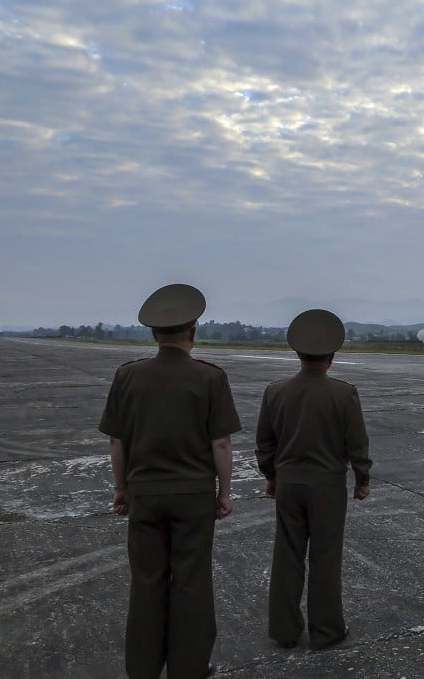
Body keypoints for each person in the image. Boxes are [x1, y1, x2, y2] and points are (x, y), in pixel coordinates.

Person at [99, 283, 241, 679]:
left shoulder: (128, 376)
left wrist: (121, 487)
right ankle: (189, 667)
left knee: (146, 582)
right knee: (192, 583)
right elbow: (222, 444)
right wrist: (224, 492)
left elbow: (117, 442)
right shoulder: (210, 378)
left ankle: (143, 668)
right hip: (194, 497)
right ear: (192, 333)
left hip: (144, 495)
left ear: (153, 334)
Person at [255, 309, 372, 650]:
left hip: (289, 484)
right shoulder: (344, 393)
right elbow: (357, 442)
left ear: (298, 353)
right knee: (325, 558)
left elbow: (265, 442)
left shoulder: (275, 391)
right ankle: (326, 630)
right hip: (328, 486)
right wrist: (362, 477)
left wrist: (272, 476)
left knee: (287, 556)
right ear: (332, 357)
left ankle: (284, 630)